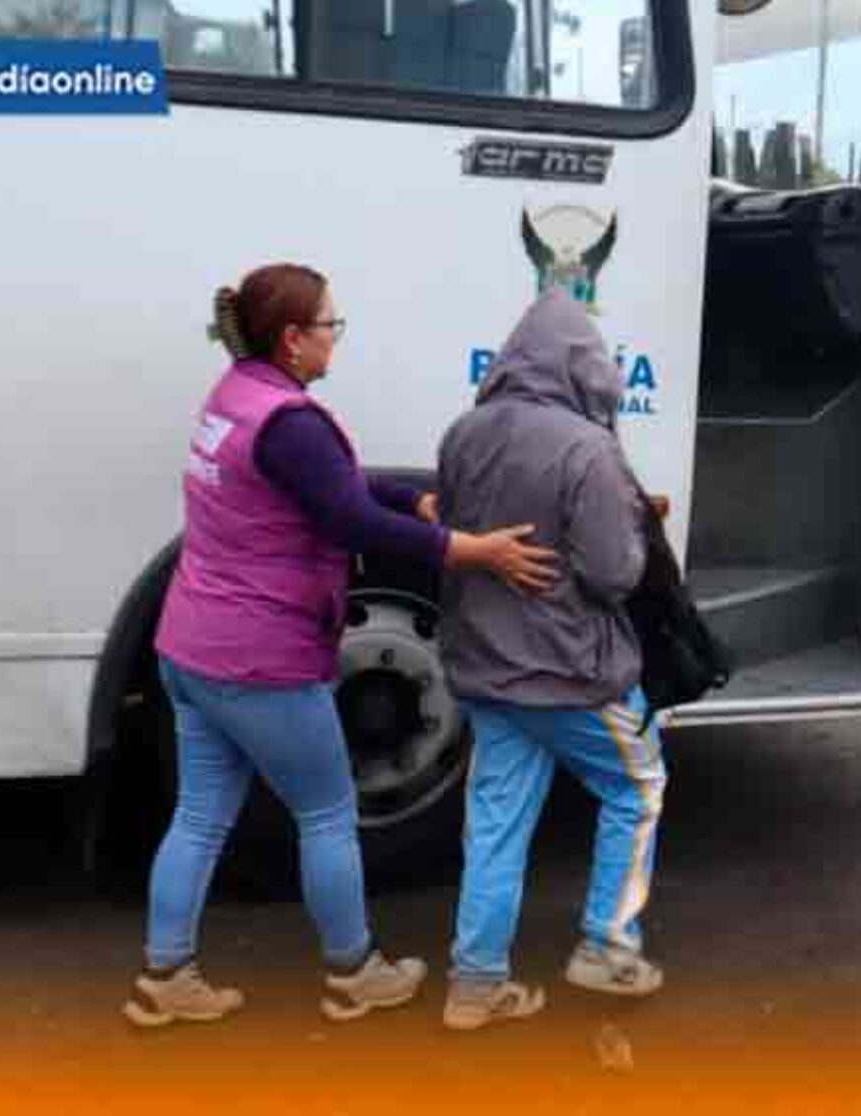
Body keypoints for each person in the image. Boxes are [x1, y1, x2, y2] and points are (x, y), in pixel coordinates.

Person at [125, 263, 559, 1028]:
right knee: (327, 814)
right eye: (331, 325)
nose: (337, 338)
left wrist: (413, 498)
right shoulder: (290, 424)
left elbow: (341, 486)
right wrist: (468, 548)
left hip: (190, 646)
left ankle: (166, 975)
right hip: (259, 658)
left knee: (198, 817)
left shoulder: (237, 399)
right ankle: (355, 972)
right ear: (293, 339)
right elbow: (349, 521)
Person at [433, 287, 666, 1031]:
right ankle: (607, 945)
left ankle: (476, 983)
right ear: (583, 367)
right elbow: (613, 573)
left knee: (498, 824)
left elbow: (464, 534)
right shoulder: (587, 447)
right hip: (572, 672)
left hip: (486, 670)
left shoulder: (463, 433)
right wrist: (634, 526)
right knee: (638, 788)